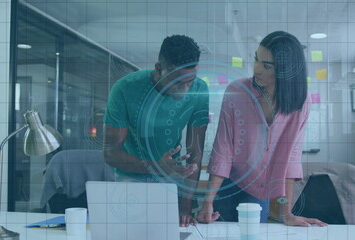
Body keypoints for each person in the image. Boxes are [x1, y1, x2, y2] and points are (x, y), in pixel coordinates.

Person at [197, 31, 326, 226]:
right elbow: (223, 149)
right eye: (256, 59)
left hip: (259, 190)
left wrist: (287, 213)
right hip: (228, 183)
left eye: (266, 66)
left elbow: (290, 159)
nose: (257, 69)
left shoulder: (300, 102)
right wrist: (207, 202)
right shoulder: (236, 91)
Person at [103, 35, 209, 227]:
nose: (184, 90)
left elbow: (195, 151)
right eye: (177, 82)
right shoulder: (125, 89)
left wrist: (186, 207)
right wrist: (156, 167)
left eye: (190, 82)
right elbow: (111, 153)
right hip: (131, 176)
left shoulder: (200, 90)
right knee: (131, 231)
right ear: (159, 68)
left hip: (171, 177)